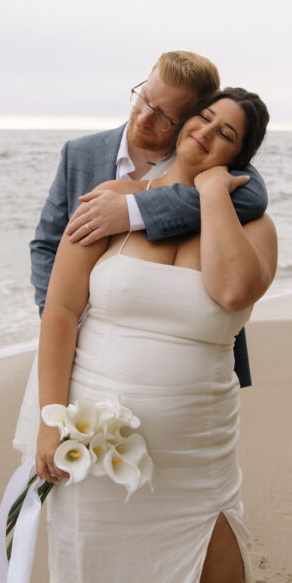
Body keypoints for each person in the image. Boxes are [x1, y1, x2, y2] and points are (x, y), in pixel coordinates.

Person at [18, 88, 288, 583]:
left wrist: (215, 194)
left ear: (241, 156)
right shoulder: (110, 202)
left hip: (198, 445)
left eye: (226, 134)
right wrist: (49, 419)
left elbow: (230, 290)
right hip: (94, 432)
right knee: (96, 580)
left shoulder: (256, 226)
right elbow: (60, 310)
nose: (206, 134)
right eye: (203, 118)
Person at [28, 51, 268, 390]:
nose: (143, 118)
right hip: (86, 351)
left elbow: (253, 197)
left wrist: (131, 210)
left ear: (188, 118)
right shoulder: (80, 153)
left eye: (165, 116)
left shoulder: (208, 159)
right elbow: (46, 244)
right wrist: (56, 320)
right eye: (144, 99)